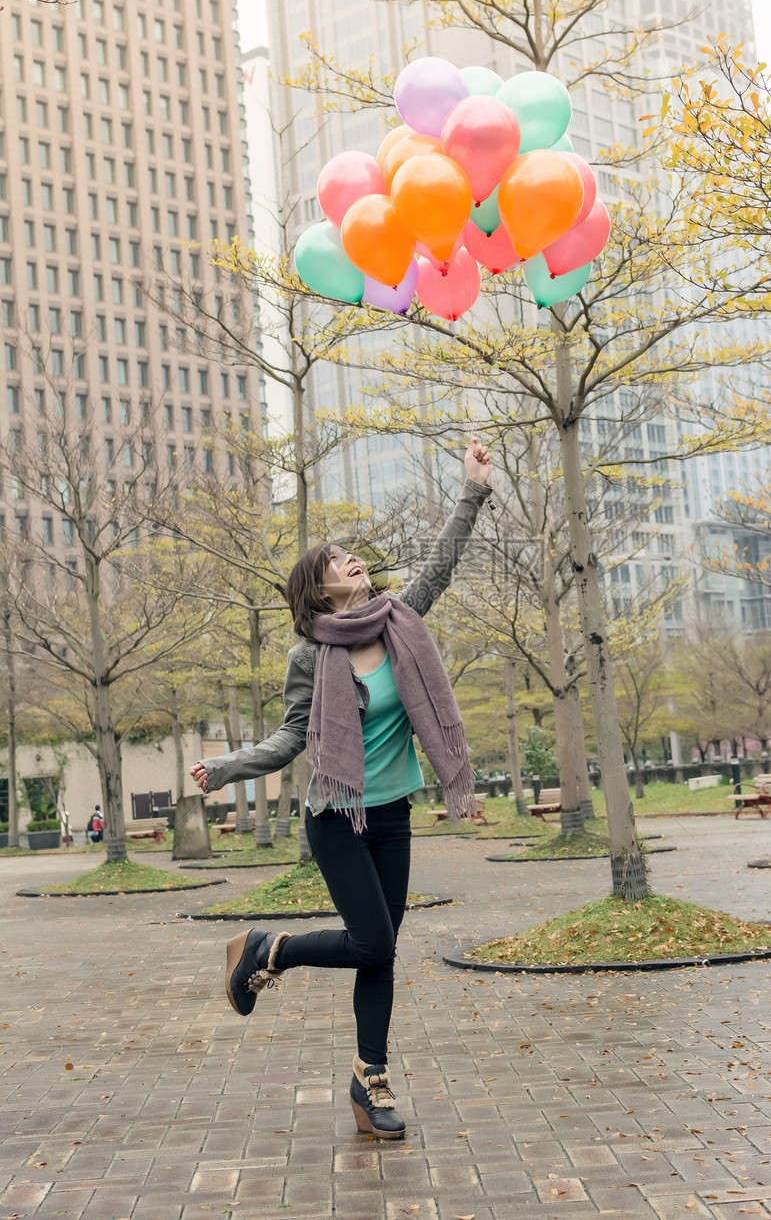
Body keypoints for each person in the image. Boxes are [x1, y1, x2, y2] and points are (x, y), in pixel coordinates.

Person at [189, 439, 492, 1140]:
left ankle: (369, 1084)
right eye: (335, 562)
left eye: (352, 555)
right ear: (320, 591)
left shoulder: (398, 619)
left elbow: (442, 564)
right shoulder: (310, 656)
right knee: (372, 941)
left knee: (380, 949)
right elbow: (295, 735)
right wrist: (229, 767)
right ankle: (268, 950)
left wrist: (472, 490)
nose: (352, 560)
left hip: (392, 814)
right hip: (336, 818)